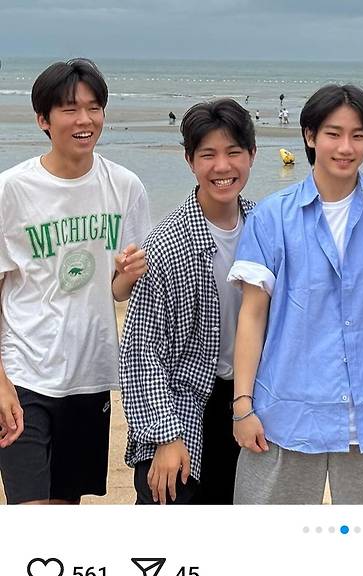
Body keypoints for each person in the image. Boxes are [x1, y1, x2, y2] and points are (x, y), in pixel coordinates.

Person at [227, 84, 363, 504]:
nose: (346, 147)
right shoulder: (272, 216)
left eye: (358, 136)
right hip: (286, 413)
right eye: (333, 133)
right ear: (310, 136)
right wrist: (242, 405)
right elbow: (252, 316)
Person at [0, 58, 150, 505]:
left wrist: (126, 276)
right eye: (70, 109)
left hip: (89, 374)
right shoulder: (12, 190)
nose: (84, 120)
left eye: (93, 108)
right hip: (24, 373)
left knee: (66, 507)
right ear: (43, 119)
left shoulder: (125, 186)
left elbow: (116, 291)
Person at [120, 99, 256, 505]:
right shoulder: (165, 244)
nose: (222, 167)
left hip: (248, 403)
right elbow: (141, 352)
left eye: (233, 152)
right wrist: (165, 437)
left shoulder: (265, 228)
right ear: (190, 160)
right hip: (181, 405)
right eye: (208, 155)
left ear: (252, 155)